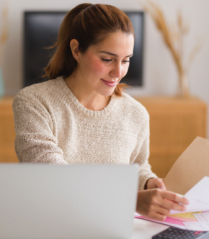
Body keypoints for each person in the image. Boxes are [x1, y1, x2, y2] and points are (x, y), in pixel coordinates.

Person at [13, 3, 189, 221]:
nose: (118, 72)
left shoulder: (135, 113)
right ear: (76, 50)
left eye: (126, 60)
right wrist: (130, 200)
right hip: (52, 226)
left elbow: (137, 166)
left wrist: (147, 182)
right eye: (107, 59)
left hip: (111, 225)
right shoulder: (34, 102)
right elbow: (52, 177)